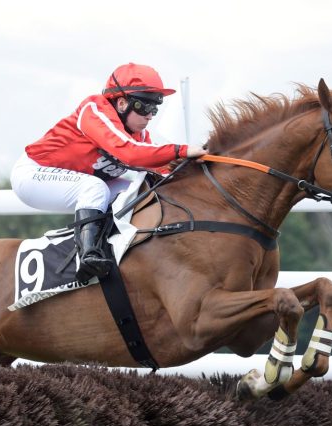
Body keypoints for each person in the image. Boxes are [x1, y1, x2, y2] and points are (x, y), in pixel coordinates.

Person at [11, 62, 208, 281]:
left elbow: (157, 167)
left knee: (138, 190)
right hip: (34, 175)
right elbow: (130, 153)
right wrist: (181, 150)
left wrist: (196, 166)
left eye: (155, 108)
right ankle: (89, 256)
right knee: (94, 188)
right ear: (122, 103)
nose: (150, 116)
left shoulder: (139, 136)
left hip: (79, 182)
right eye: (145, 107)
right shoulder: (93, 110)